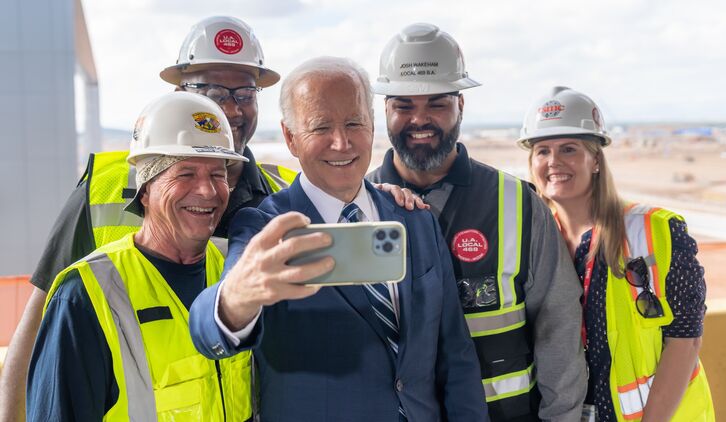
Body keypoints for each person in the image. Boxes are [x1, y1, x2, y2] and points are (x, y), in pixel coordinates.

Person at [0, 17, 295, 420]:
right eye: (211, 91)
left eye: (244, 92)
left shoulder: (282, 197)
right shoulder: (102, 193)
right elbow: (38, 331)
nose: (229, 107)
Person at [189, 56, 488, 421]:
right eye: (320, 127)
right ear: (290, 137)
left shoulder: (416, 221)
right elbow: (207, 330)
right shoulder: (265, 227)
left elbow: (456, 355)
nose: (342, 143)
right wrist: (235, 299)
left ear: (372, 125)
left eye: (354, 123)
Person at [367, 23, 586, 421]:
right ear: (385, 110)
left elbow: (559, 326)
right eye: (404, 106)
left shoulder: (518, 203)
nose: (420, 120)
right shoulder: (359, 207)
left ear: (461, 106)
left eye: (437, 104)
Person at [27, 92, 256, 420]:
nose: (207, 191)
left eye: (217, 175)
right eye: (186, 173)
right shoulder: (86, 296)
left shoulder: (237, 272)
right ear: (145, 189)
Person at [518, 86, 715, 421]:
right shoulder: (534, 241)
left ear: (595, 160)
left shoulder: (656, 231)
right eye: (542, 151)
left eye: (569, 149)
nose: (553, 162)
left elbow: (685, 341)